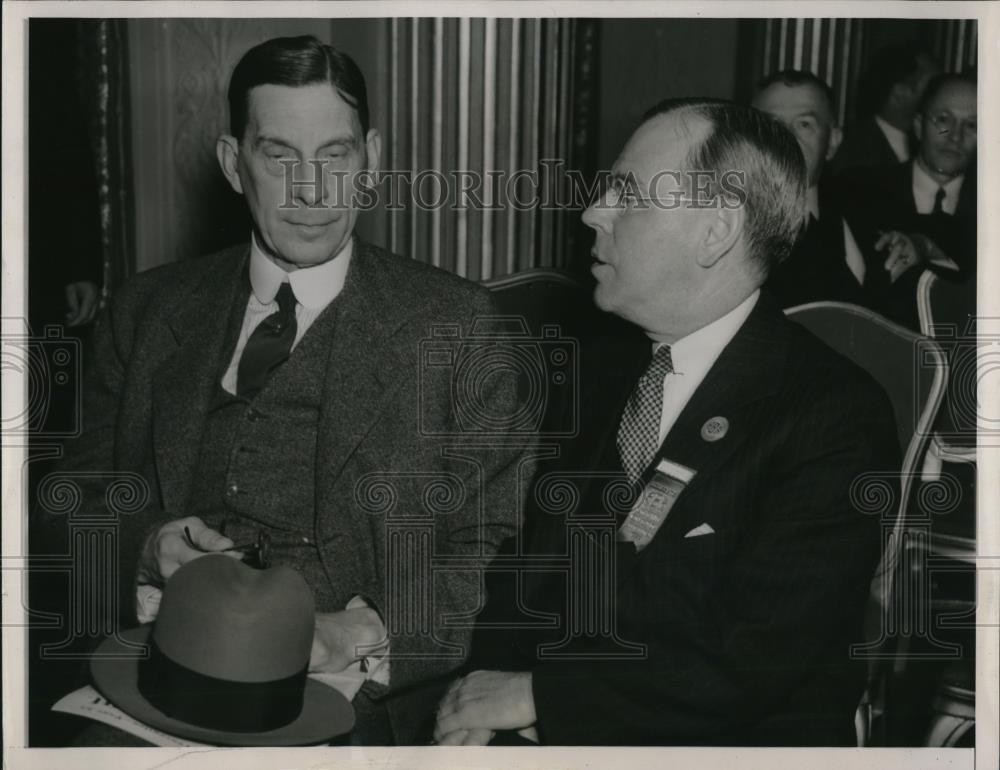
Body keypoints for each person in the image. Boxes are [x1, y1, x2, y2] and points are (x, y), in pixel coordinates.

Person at [40, 35, 522, 745]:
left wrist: (361, 631)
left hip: (353, 698)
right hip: (163, 674)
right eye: (279, 156)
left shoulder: (457, 324)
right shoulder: (147, 311)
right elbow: (67, 496)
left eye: (336, 155)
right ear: (235, 165)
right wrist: (145, 548)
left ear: (373, 160)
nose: (312, 191)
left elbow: (492, 540)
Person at [433, 98, 900, 746]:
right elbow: (527, 572)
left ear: (716, 231)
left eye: (626, 193)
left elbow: (752, 662)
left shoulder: (833, 417)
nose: (593, 212)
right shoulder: (596, 372)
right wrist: (486, 689)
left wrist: (535, 695)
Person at [841, 72, 977, 328]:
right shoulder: (859, 188)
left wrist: (926, 248)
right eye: (943, 120)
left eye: (971, 126)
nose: (955, 137)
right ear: (918, 125)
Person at [751, 70, 884, 309]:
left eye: (804, 124)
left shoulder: (862, 211)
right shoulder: (722, 226)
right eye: (772, 124)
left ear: (832, 142)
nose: (786, 138)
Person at [829, 43, 940, 175]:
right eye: (933, 87)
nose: (942, 95)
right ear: (900, 92)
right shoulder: (853, 149)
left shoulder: (925, 143)